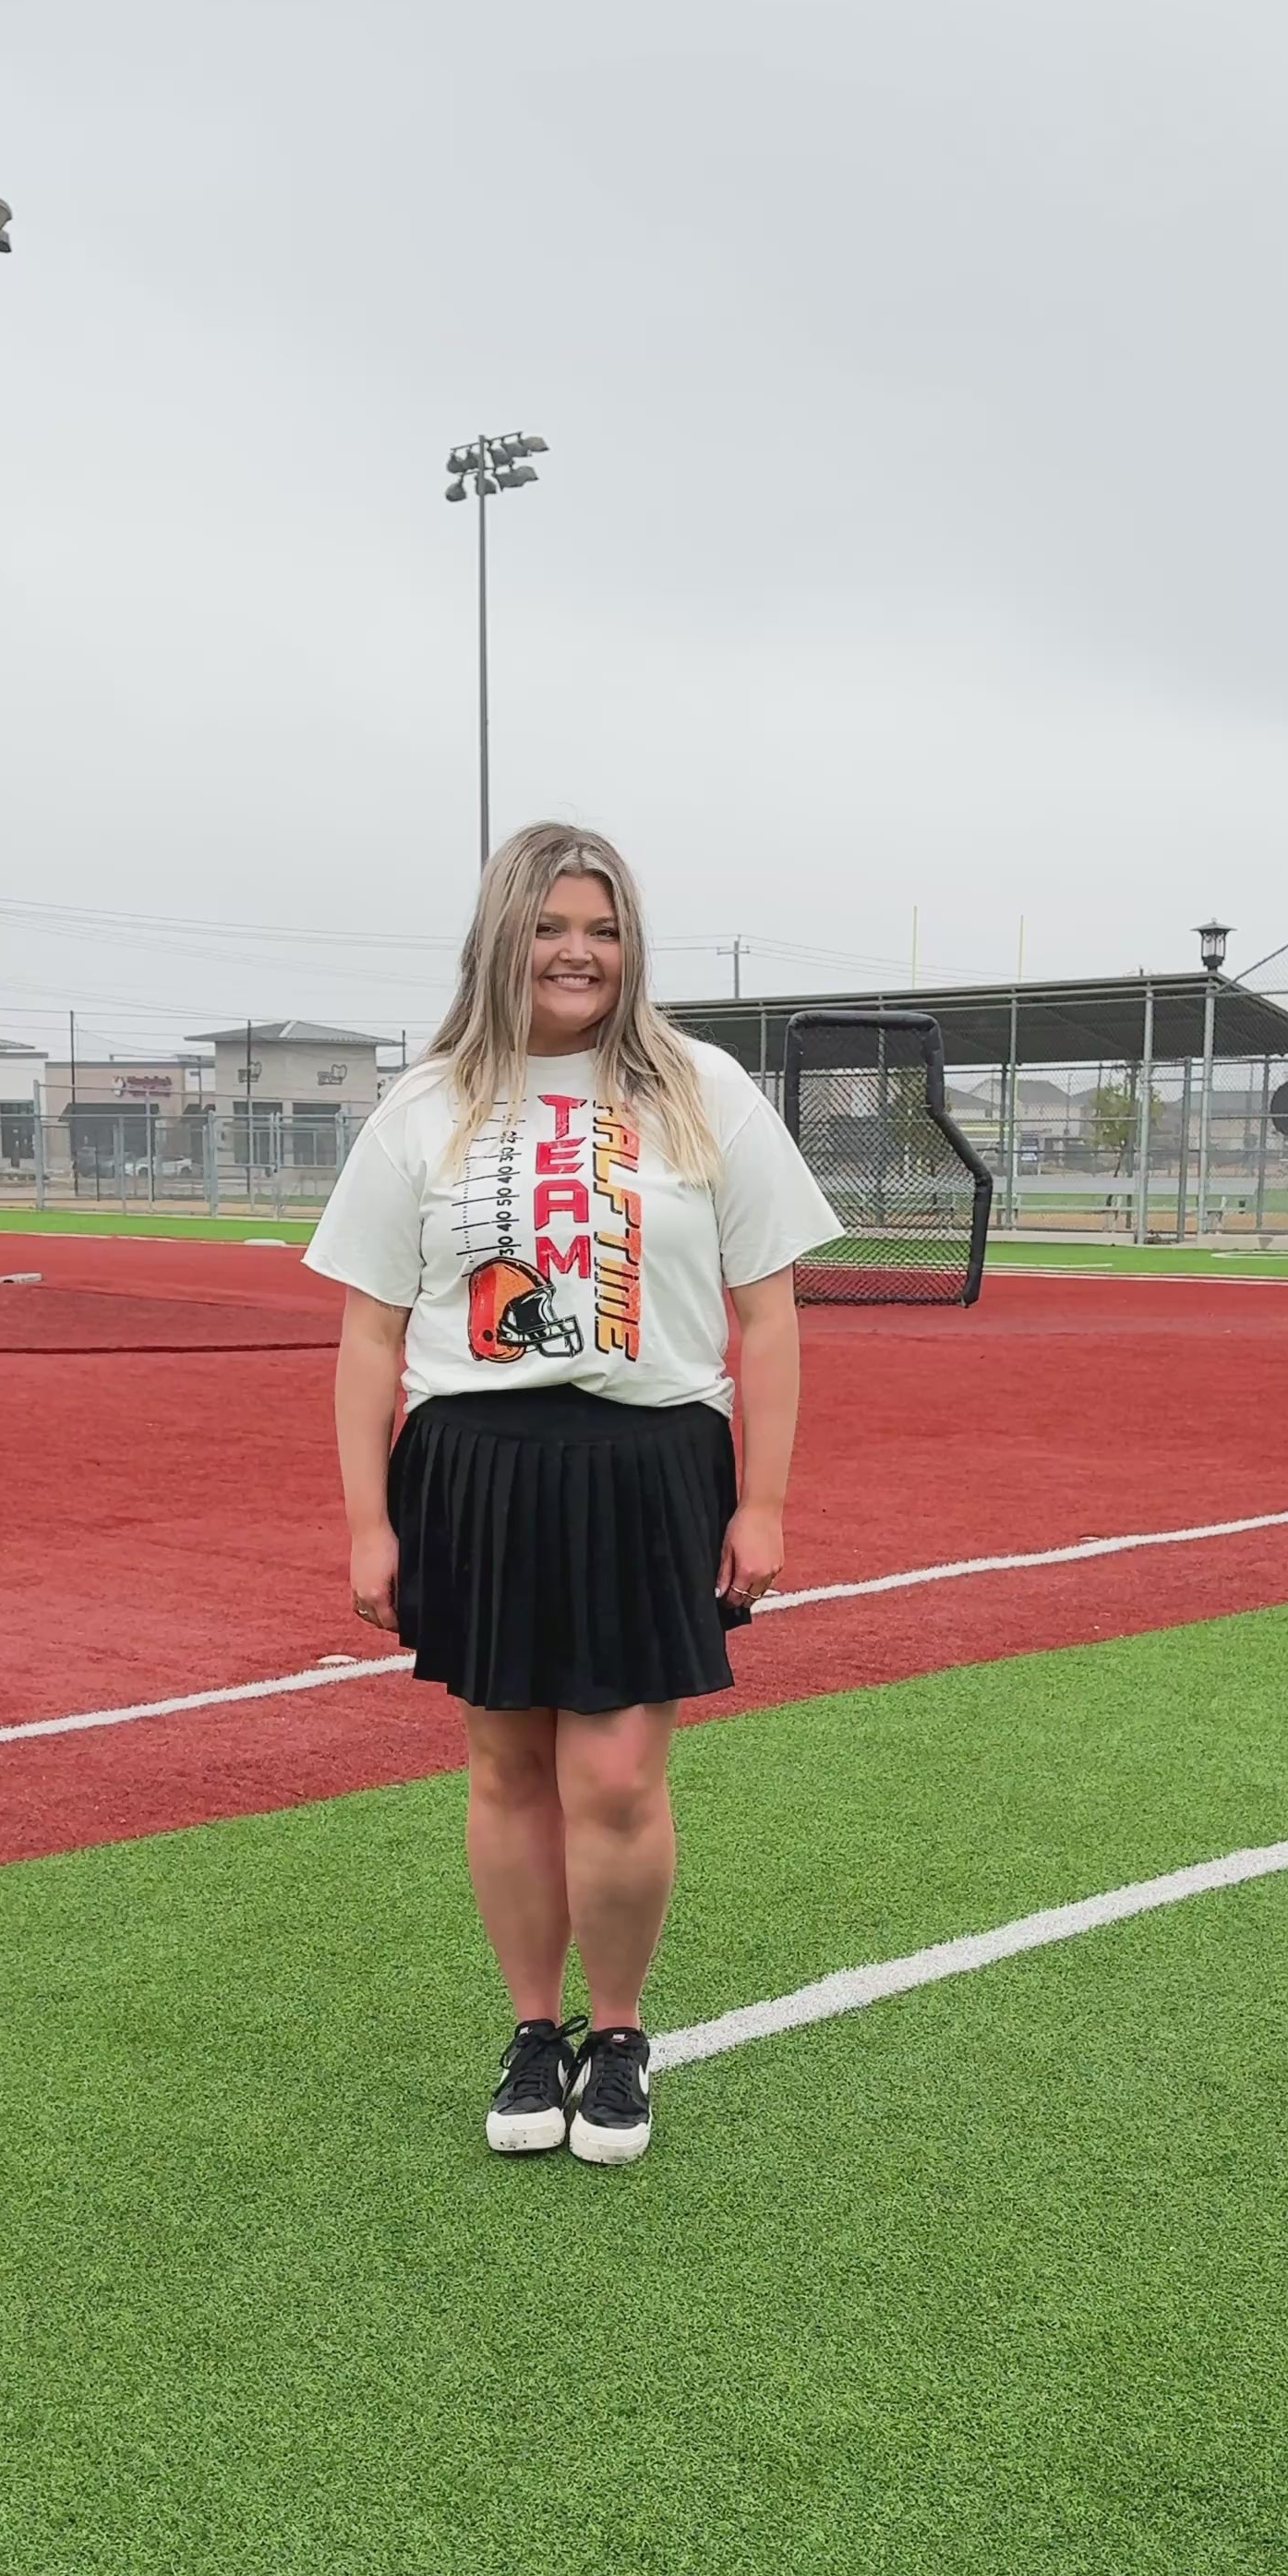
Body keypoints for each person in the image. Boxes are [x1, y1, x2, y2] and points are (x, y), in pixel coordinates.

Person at [304, 821, 840, 2165]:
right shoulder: (426, 1106)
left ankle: (617, 2033)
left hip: (648, 1461)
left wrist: (761, 1503)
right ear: (504, 939)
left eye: (601, 929)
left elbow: (766, 1318)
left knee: (612, 1775)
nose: (578, 953)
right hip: (476, 1469)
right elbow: (371, 1333)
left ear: (630, 946)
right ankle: (532, 2030)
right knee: (504, 1768)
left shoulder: (700, 1090)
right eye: (551, 927)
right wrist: (370, 1521)